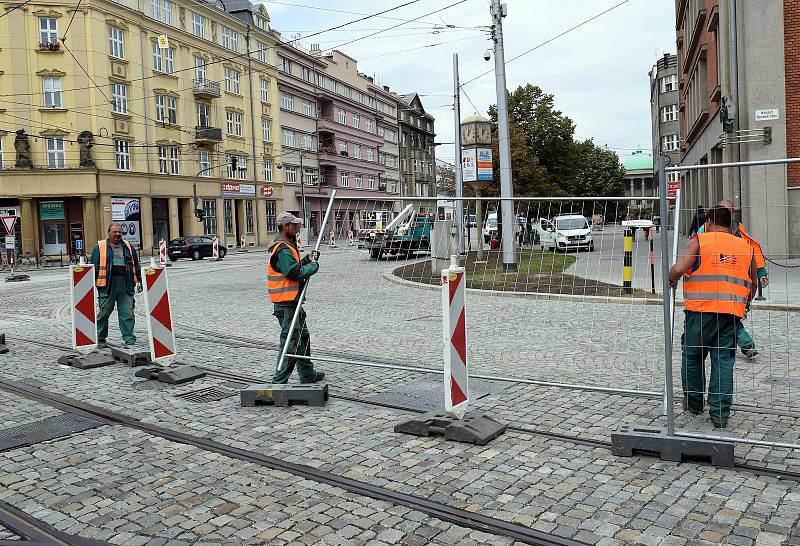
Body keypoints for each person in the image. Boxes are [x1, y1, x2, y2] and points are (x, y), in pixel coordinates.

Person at [669, 206, 757, 428]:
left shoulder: (701, 240)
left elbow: (680, 267)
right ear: (731, 225)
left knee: (692, 356)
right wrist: (745, 303)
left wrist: (672, 277)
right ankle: (719, 414)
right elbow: (753, 283)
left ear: (708, 221)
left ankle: (694, 403)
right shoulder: (746, 247)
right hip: (730, 315)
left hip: (699, 312)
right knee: (724, 362)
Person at [695, 199, 768, 358]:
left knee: (730, 316)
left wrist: (761, 271)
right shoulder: (705, 229)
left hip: (736, 282)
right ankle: (747, 345)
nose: (728, 214)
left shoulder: (740, 229)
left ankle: (742, 345)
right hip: (714, 283)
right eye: (724, 210)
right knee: (729, 317)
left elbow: (752, 252)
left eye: (730, 211)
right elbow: (695, 252)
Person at [268, 212, 324, 384]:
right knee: (290, 341)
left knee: (302, 337)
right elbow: (293, 273)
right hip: (286, 303)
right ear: (285, 227)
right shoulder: (282, 248)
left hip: (293, 301)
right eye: (294, 225)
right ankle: (279, 380)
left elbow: (295, 266)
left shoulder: (288, 245)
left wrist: (307, 259)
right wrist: (313, 267)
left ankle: (307, 374)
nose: (298, 228)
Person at [91, 223, 141, 348]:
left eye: (119, 232)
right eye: (115, 232)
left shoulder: (128, 246)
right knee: (104, 312)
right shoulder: (100, 246)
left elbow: (136, 264)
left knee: (127, 313)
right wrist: (90, 284)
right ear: (109, 233)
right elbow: (94, 267)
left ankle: (129, 339)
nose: (117, 234)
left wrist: (140, 280)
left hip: (126, 283)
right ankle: (100, 337)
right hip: (107, 285)